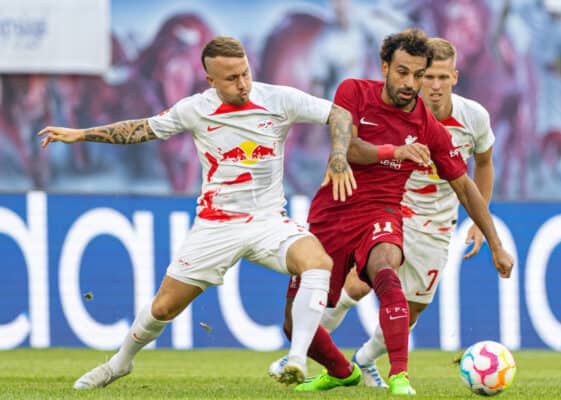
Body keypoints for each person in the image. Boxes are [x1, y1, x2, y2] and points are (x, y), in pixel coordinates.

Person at [38, 36, 357, 389]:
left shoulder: (278, 99)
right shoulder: (195, 109)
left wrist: (339, 155)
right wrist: (82, 135)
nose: (242, 84)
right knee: (163, 309)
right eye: (232, 79)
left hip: (269, 222)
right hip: (215, 227)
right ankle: (119, 363)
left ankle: (296, 359)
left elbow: (338, 113)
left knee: (318, 263)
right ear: (211, 81)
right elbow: (142, 129)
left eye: (245, 73)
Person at [272, 29, 514, 396]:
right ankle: (323, 359)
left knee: (393, 284)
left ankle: (389, 370)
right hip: (354, 211)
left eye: (426, 75)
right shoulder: (354, 91)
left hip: (409, 217)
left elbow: (467, 181)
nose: (418, 84)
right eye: (409, 73)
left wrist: (494, 240)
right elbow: (348, 147)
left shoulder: (450, 122)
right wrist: (391, 152)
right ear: (384, 67)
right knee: (317, 306)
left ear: (454, 78)